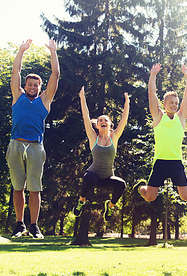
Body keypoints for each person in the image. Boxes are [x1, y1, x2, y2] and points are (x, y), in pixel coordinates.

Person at [9, 39, 60, 239]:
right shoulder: (17, 96)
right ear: (25, 86)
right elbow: (15, 73)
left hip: (36, 147)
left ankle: (33, 226)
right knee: (17, 187)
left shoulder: (45, 100)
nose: (32, 87)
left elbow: (55, 75)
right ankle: (19, 225)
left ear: (39, 87)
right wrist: (21, 51)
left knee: (34, 188)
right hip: (15, 144)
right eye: (29, 84)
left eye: (36, 85)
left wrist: (53, 52)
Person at [134, 63, 187, 207]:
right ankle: (141, 187)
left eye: (176, 103)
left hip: (176, 162)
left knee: (186, 197)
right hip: (160, 162)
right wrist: (153, 76)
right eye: (171, 103)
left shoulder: (181, 118)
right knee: (150, 197)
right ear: (164, 104)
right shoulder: (158, 117)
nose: (174, 105)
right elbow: (151, 96)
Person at [72, 87, 129, 221]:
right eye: (100, 121)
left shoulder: (114, 137)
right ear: (97, 126)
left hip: (108, 178)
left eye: (106, 121)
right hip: (94, 176)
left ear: (110, 125)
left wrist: (127, 102)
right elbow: (86, 116)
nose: (103, 122)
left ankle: (109, 206)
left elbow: (124, 120)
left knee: (121, 185)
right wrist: (82, 98)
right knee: (88, 178)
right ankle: (81, 201)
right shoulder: (93, 137)